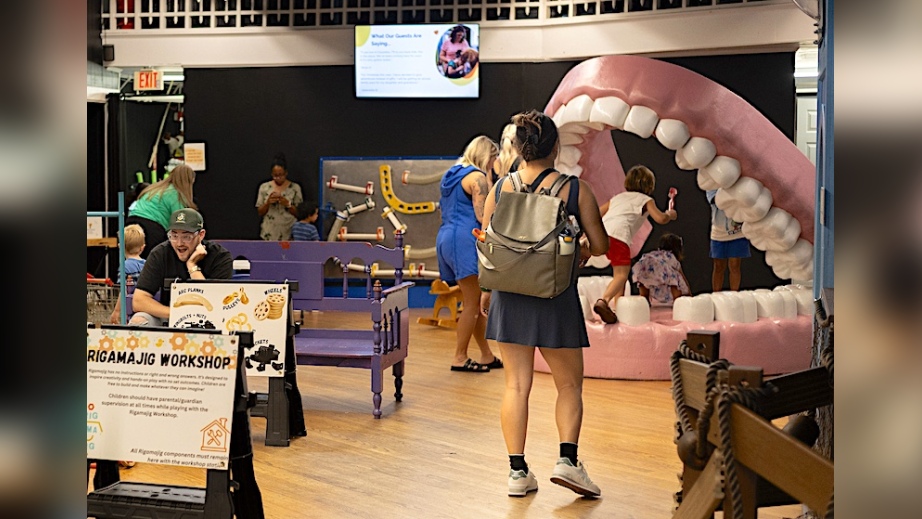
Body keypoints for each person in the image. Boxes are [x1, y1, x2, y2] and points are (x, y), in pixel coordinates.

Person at [480, 110, 609, 498]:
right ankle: (567, 462)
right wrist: (582, 248)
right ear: (556, 146)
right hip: (555, 296)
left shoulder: (500, 189)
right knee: (568, 384)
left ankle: (517, 473)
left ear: (518, 149)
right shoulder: (574, 190)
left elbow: (488, 245)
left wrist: (488, 292)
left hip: (509, 296)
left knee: (516, 386)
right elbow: (601, 246)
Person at [436, 135, 502, 373]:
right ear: (487, 155)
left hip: (446, 237)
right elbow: (483, 216)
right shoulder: (477, 178)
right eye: (494, 158)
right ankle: (460, 357)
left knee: (472, 301)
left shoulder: (451, 174)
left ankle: (486, 354)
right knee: (473, 303)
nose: (495, 163)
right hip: (465, 239)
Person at [592, 165, 677, 324]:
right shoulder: (645, 200)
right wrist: (670, 215)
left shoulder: (617, 198)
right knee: (622, 275)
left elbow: (595, 213)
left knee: (619, 274)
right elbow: (660, 219)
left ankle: (618, 309)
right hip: (619, 237)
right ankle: (604, 301)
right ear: (649, 185)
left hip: (603, 235)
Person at [128, 208, 233, 327]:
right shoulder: (160, 253)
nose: (179, 243)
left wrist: (192, 266)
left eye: (186, 237)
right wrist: (179, 314)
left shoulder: (220, 257)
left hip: (210, 322)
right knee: (139, 321)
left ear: (201, 235)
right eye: (174, 235)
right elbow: (139, 301)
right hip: (169, 317)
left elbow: (212, 305)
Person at [126, 164, 197, 259]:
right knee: (155, 261)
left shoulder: (155, 188)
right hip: (151, 228)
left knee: (133, 259)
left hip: (130, 222)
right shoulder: (176, 194)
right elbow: (180, 221)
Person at [708, 189, 751, 291]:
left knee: (735, 265)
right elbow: (715, 200)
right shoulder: (711, 182)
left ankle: (734, 295)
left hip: (737, 232)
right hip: (719, 231)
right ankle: (716, 296)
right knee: (718, 266)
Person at [631, 232, 691, 305]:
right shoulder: (671, 257)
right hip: (661, 269)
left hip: (643, 265)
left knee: (643, 280)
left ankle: (645, 300)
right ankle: (677, 302)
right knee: (675, 279)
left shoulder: (656, 254)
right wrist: (689, 294)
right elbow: (682, 276)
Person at [256, 152, 303, 241]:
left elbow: (299, 213)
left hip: (288, 233)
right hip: (269, 233)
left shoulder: (295, 188)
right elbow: (260, 212)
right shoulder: (264, 187)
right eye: (275, 176)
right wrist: (268, 202)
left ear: (286, 173)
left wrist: (287, 204)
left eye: (281, 175)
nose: (278, 178)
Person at [106, 224, 147, 324]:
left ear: (120, 247)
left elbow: (123, 291)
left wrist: (116, 311)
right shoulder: (147, 265)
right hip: (146, 305)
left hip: (130, 308)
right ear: (142, 248)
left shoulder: (125, 266)